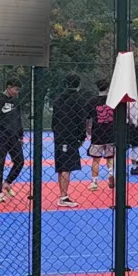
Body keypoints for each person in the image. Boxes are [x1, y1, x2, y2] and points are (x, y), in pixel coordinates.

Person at [0, 78, 27, 202]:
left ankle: (7, 182)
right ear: (9, 88)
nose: (17, 92)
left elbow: (18, 119)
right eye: (16, 89)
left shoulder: (16, 101)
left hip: (14, 136)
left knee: (20, 161)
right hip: (1, 135)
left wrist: (20, 135)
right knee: (0, 163)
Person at [50, 74, 87, 207]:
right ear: (79, 84)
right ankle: (63, 197)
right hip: (70, 136)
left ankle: (63, 195)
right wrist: (82, 136)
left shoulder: (58, 98)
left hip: (59, 136)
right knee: (66, 166)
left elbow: (54, 120)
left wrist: (56, 133)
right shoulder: (78, 99)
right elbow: (81, 119)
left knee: (61, 166)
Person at [87, 79, 116, 190]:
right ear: (108, 88)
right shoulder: (112, 101)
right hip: (111, 132)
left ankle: (94, 182)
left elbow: (88, 117)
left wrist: (88, 131)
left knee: (96, 159)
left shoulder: (92, 101)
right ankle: (111, 174)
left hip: (97, 133)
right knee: (110, 157)